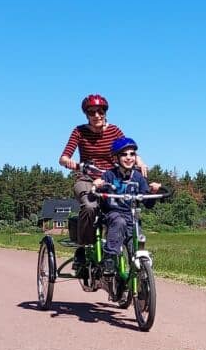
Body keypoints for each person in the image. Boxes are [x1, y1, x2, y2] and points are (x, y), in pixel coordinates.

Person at [59, 94, 147, 262]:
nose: (97, 115)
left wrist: (141, 162)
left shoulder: (114, 130)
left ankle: (121, 253)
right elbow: (63, 158)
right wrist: (74, 164)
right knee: (90, 206)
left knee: (126, 210)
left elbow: (127, 147)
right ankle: (83, 248)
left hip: (112, 178)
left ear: (105, 112)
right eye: (92, 112)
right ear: (86, 115)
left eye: (100, 111)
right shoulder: (79, 131)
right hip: (86, 178)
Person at [92, 137, 162, 275]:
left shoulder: (138, 177)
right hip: (113, 216)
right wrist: (97, 185)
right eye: (124, 154)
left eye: (132, 154)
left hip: (132, 219)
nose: (129, 157)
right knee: (119, 222)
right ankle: (110, 258)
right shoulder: (109, 175)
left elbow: (148, 203)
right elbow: (97, 193)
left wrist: (153, 191)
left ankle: (141, 282)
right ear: (116, 158)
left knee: (135, 246)